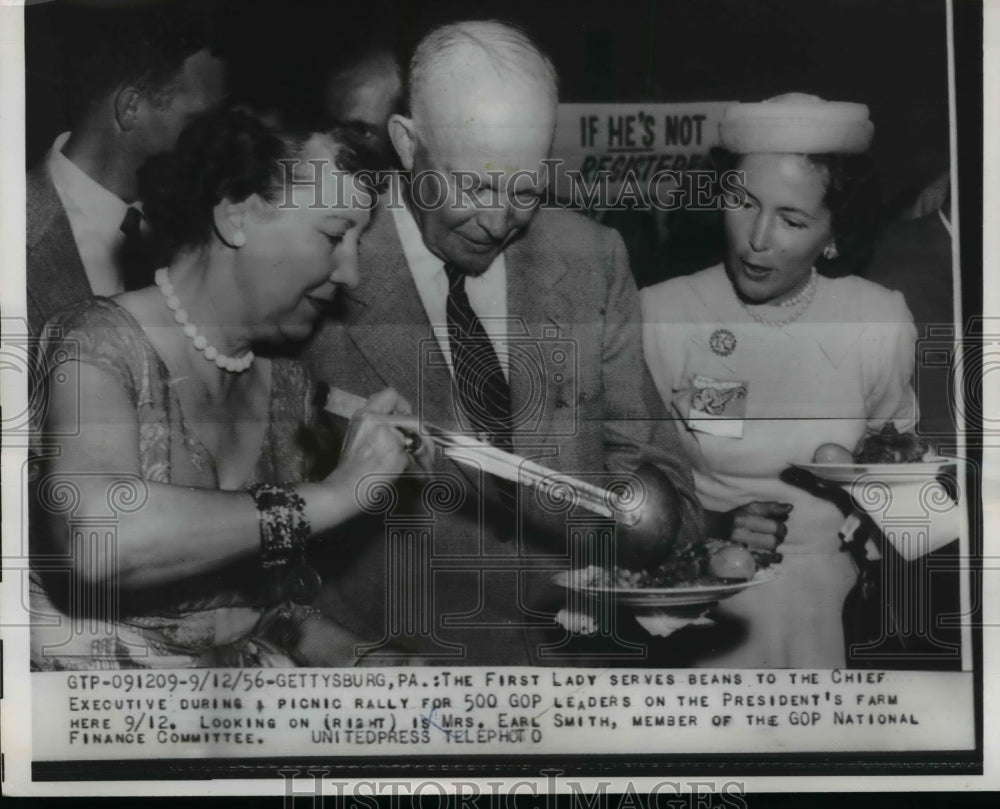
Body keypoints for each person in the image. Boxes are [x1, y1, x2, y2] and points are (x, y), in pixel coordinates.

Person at [303, 20, 703, 666]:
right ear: (407, 144)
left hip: (573, 675)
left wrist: (634, 528)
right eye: (474, 185)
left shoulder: (592, 257)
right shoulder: (317, 256)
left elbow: (670, 498)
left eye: (524, 189)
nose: (498, 222)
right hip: (396, 681)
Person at [30, 106, 426, 670]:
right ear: (237, 216)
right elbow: (98, 537)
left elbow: (256, 613)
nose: (351, 274)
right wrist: (337, 494)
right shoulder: (93, 341)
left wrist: (387, 666)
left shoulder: (286, 383)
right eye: (335, 235)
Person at [640, 94, 918, 668]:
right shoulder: (664, 312)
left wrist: (876, 484)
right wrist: (713, 528)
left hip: (832, 606)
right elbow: (629, 485)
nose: (757, 238)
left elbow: (906, 491)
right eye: (743, 204)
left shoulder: (877, 318)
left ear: (834, 235)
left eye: (792, 220)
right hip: (703, 601)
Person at [26, 2, 227, 335]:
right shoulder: (14, 236)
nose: (216, 146)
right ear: (130, 108)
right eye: (198, 123)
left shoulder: (196, 229)